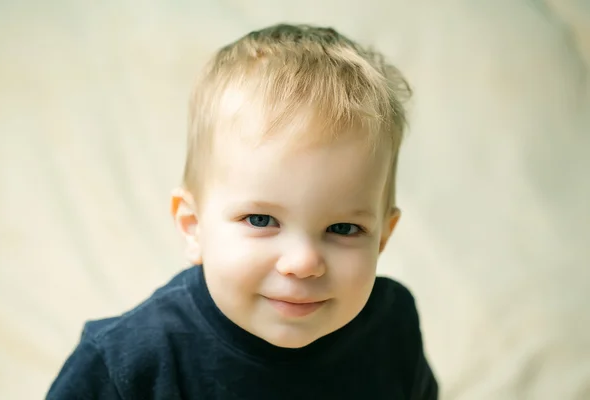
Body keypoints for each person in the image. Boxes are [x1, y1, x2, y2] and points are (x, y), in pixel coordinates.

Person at [46, 23, 438, 399]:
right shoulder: (129, 365)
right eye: (261, 220)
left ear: (383, 237)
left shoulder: (392, 327)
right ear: (193, 226)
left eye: (343, 227)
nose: (302, 262)